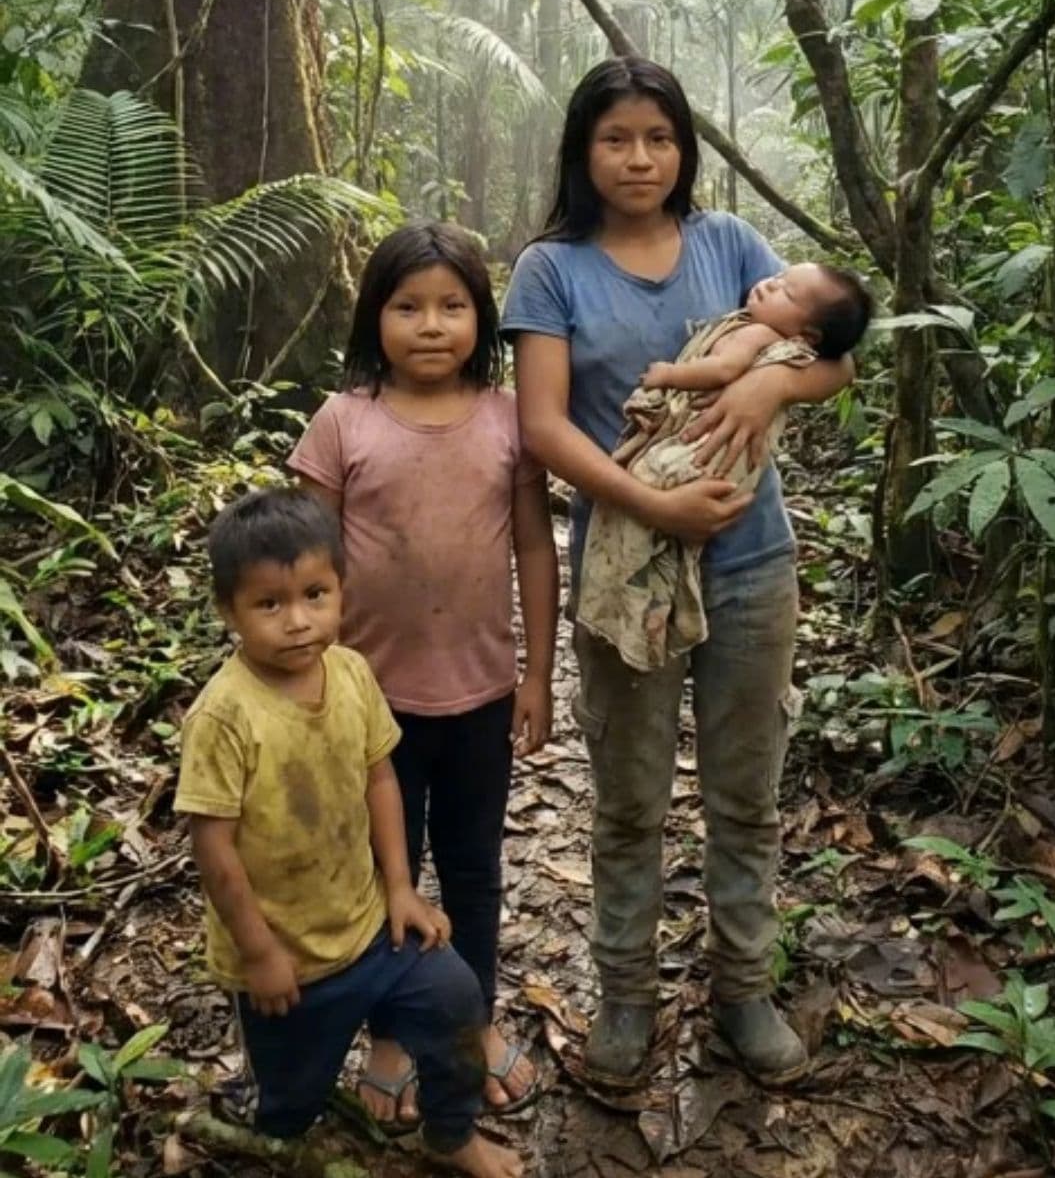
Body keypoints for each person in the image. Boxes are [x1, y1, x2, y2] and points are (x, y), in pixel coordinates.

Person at [503, 58, 857, 1089]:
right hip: (624, 572)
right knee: (630, 800)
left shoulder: (732, 243)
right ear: (583, 151)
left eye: (659, 138)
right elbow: (542, 426)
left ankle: (744, 993)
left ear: (684, 149)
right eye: (617, 138)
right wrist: (653, 504)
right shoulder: (550, 269)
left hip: (751, 565)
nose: (640, 158)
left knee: (746, 794)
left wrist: (768, 393)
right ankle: (626, 1000)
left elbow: (835, 351)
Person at [288, 222, 558, 1132]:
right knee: (379, 873)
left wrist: (537, 675)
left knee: (473, 869)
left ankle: (472, 1023)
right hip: (370, 710)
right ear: (375, 315)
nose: (432, 325)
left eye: (452, 306)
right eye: (408, 306)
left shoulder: (507, 417)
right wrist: (308, 689)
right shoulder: (344, 421)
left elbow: (533, 546)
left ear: (481, 318)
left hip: (480, 695)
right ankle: (392, 1036)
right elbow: (308, 565)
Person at [175, 487, 522, 1178]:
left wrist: (401, 888)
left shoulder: (353, 673)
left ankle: (451, 1134)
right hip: (285, 957)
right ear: (228, 611)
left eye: (315, 594)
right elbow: (214, 849)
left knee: (456, 1001)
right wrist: (259, 952)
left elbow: (380, 780)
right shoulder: (224, 716)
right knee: (286, 1104)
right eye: (269, 604)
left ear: (341, 588)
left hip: (369, 929)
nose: (298, 621)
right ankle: (242, 1129)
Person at [579, 263, 873, 673]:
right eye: (777, 279)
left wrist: (670, 374)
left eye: (785, 291)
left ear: (808, 335)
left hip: (739, 540)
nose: (768, 284)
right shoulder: (771, 324)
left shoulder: (757, 331)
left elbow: (725, 369)